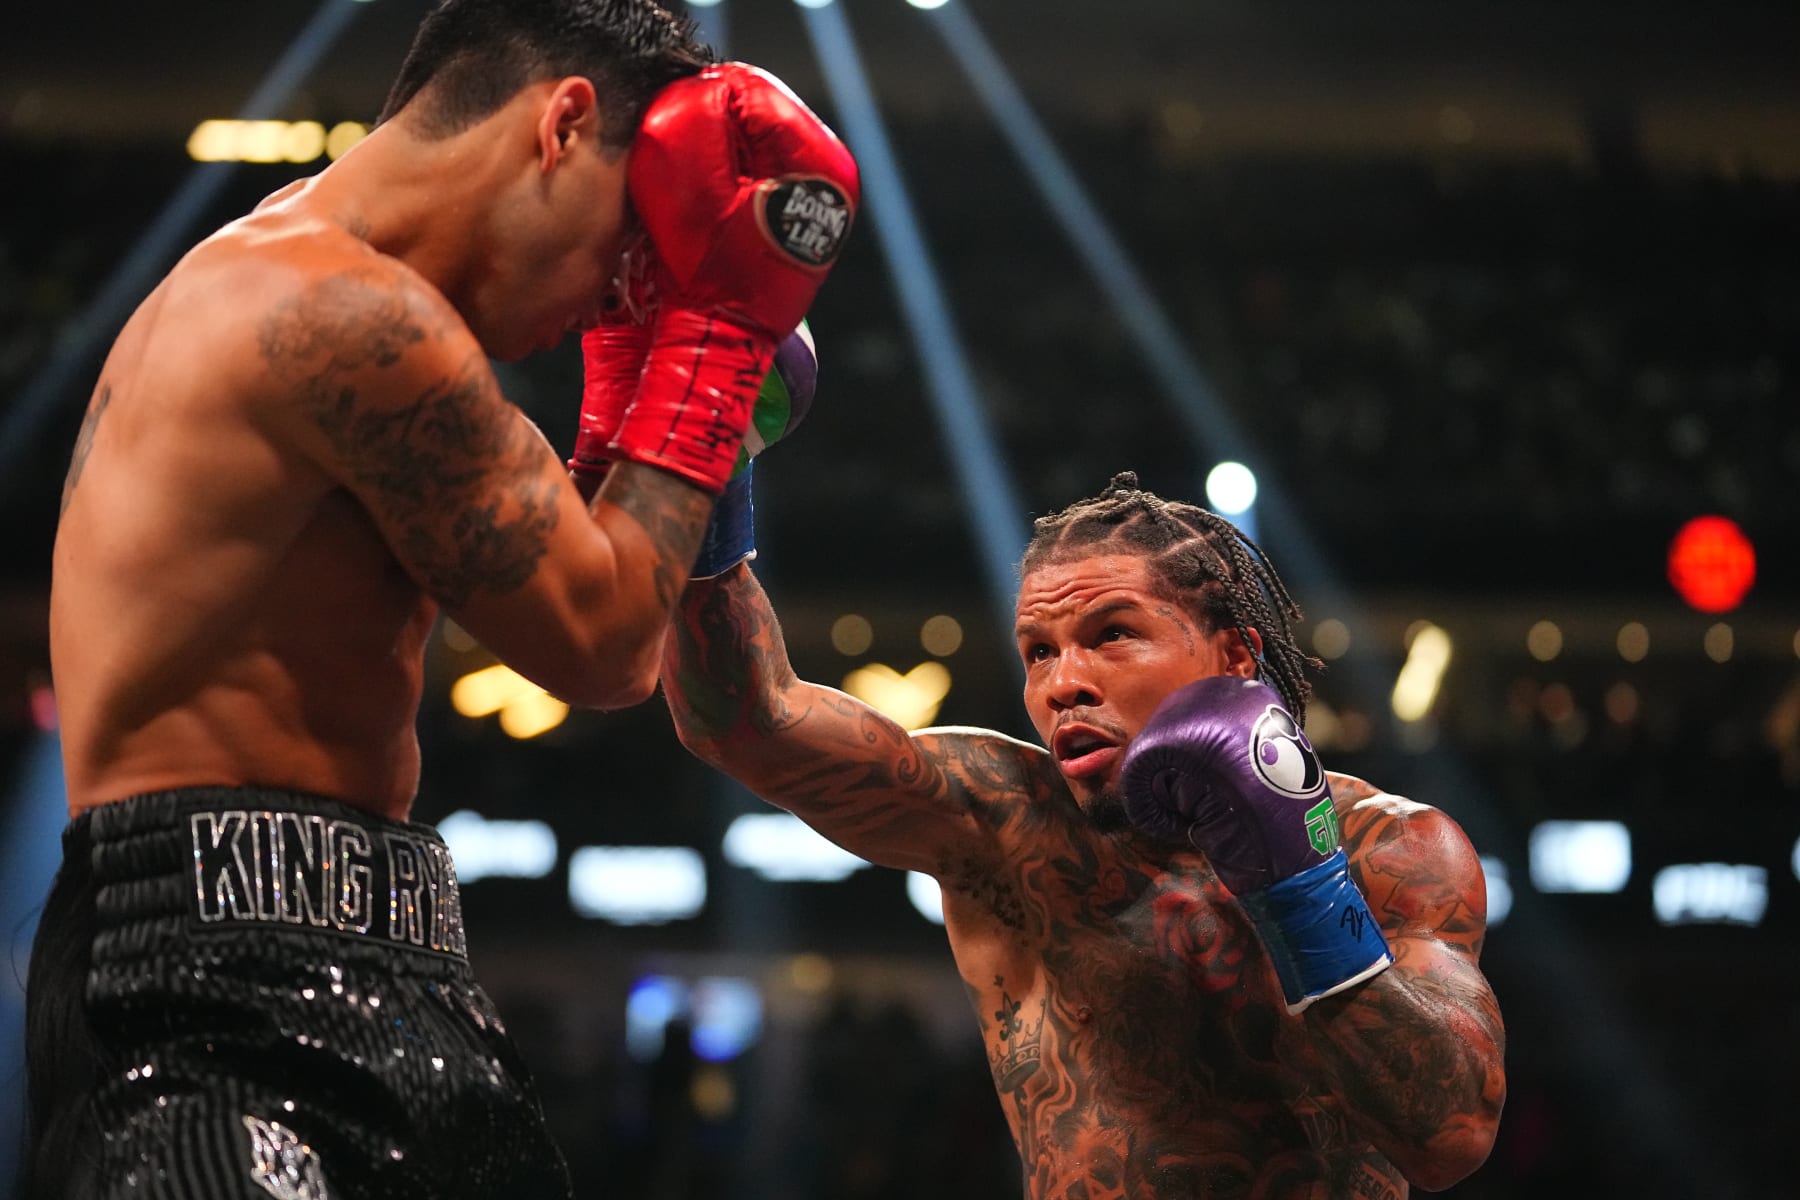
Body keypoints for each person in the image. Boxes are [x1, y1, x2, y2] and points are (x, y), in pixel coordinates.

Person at [28, 0, 858, 1194]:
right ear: (563, 124)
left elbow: (573, 578)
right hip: (211, 989)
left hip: (393, 955)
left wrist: (662, 367)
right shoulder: (341, 316)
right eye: (633, 240)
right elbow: (606, 640)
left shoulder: (345, 306)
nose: (614, 297)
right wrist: (715, 336)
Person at [660, 470, 1506, 1197]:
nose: (1065, 683)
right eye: (1037, 652)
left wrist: (1296, 879)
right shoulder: (1004, 819)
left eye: (1111, 636)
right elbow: (744, 720)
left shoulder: (1390, 850)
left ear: (1236, 656)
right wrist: (707, 472)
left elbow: (1449, 1138)